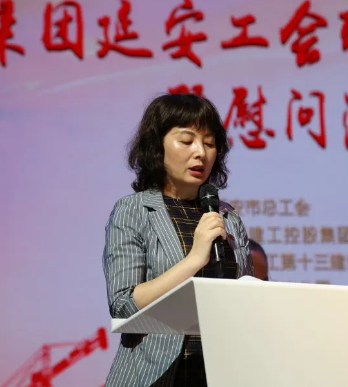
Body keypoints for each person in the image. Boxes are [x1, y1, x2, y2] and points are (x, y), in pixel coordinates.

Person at [102, 92, 255, 387]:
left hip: (219, 372)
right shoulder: (134, 210)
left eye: (209, 143)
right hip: (155, 376)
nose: (201, 153)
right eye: (186, 141)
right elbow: (122, 306)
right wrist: (195, 259)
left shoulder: (227, 216)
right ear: (157, 145)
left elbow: (244, 300)